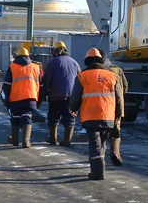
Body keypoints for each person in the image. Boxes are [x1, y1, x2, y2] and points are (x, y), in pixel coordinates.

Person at [70, 48, 123, 181]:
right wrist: (118, 114)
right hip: (108, 116)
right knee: (102, 143)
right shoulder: (112, 76)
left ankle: (98, 172)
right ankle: (99, 168)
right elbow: (118, 98)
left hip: (91, 115)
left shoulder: (82, 76)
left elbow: (75, 96)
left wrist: (73, 109)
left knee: (94, 144)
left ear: (87, 61)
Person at [1, 47, 43, 148]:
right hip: (31, 97)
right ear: (28, 56)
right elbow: (42, 86)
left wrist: (5, 100)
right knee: (27, 117)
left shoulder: (12, 67)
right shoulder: (36, 67)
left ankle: (15, 140)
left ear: (17, 56)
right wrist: (39, 101)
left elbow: (6, 85)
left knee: (15, 117)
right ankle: (26, 141)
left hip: (15, 98)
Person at [42, 41, 81, 146]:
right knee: (70, 118)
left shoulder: (52, 62)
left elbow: (47, 80)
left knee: (53, 117)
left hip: (55, 95)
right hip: (71, 96)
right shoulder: (75, 63)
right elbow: (79, 80)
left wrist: (44, 93)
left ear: (55, 51)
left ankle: (53, 138)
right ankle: (67, 140)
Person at [98, 48, 128, 166]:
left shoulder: (100, 72)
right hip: (117, 105)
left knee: (102, 132)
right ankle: (115, 152)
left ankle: (100, 156)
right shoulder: (117, 70)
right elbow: (125, 87)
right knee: (116, 131)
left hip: (104, 105)